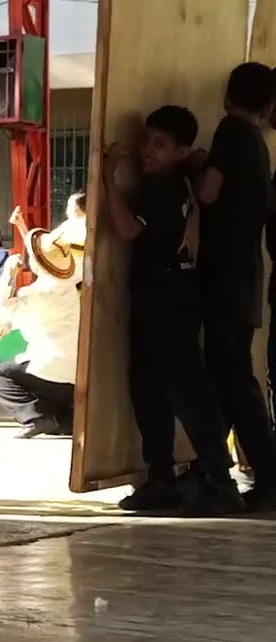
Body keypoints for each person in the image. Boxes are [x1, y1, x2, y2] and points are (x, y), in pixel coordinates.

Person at [102, 105, 240, 516]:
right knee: (149, 389)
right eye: (146, 140)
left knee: (184, 389)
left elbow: (127, 230)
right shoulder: (175, 180)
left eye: (159, 145)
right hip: (159, 295)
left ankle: (219, 479)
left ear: (180, 151)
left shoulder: (164, 189)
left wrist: (107, 177)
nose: (147, 150)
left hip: (169, 297)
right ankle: (160, 478)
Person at [194, 62, 276, 512]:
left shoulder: (230, 132)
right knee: (233, 376)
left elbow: (208, 192)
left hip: (224, 275)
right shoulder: (261, 146)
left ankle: (266, 473)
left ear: (228, 96)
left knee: (232, 379)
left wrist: (192, 166)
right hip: (246, 274)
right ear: (267, 105)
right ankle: (214, 468)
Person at [0, 214, 80, 439]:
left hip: (48, 372)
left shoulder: (38, 293)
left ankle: (35, 416)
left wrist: (8, 274)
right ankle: (60, 421)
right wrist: (8, 325)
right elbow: (32, 317)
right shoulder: (68, 292)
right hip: (72, 376)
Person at [9, 192, 88, 286]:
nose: (67, 210)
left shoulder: (73, 225)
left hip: (65, 283)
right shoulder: (92, 226)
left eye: (70, 206)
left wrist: (20, 225)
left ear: (77, 209)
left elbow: (41, 248)